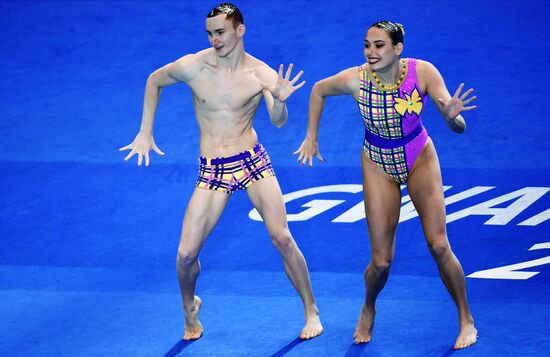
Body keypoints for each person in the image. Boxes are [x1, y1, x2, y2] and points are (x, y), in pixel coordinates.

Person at [120, 3, 322, 341]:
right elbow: (154, 80)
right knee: (185, 255)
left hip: (251, 162)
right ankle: (190, 308)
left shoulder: (262, 74)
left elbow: (278, 121)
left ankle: (311, 310)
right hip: (213, 170)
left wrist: (281, 100)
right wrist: (145, 131)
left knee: (283, 237)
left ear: (240, 30)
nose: (215, 39)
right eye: (210, 33)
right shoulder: (193, 67)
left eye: (221, 32)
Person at [294, 20, 477, 349]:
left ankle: (466, 319)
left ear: (397, 48)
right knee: (381, 262)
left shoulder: (423, 72)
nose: (371, 52)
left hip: (419, 156)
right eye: (367, 45)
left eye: (379, 45)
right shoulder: (356, 79)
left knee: (438, 245)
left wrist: (453, 118)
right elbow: (318, 89)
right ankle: (368, 306)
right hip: (377, 162)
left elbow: (459, 126)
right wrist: (311, 136)